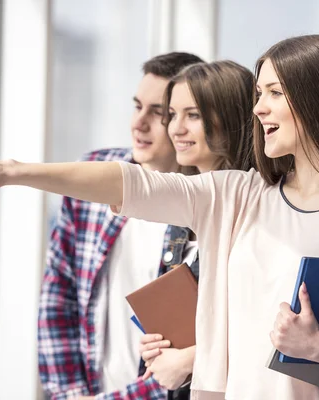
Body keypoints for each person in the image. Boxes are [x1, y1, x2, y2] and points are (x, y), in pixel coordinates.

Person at [0, 35, 319, 399]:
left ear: (317, 99)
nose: (258, 108)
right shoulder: (241, 195)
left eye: (274, 93)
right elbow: (132, 183)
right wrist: (9, 171)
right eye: (257, 93)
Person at [36, 51, 203, 400]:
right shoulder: (95, 174)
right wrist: (69, 394)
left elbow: (184, 356)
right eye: (136, 106)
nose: (138, 123)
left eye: (158, 113)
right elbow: (59, 292)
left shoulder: (205, 211)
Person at [137, 60, 255, 396]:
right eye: (172, 115)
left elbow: (262, 326)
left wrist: (189, 359)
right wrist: (160, 347)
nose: (176, 129)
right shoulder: (182, 216)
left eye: (193, 115)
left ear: (232, 119)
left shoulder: (256, 210)